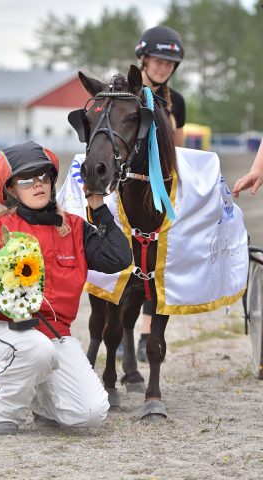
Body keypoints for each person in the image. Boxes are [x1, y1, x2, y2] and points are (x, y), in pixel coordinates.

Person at [0, 140, 132, 436]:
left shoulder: (75, 228)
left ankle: (42, 404)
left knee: (91, 413)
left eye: (43, 177)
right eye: (26, 179)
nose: (38, 184)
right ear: (11, 189)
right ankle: (1, 412)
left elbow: (119, 258)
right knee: (35, 351)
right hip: (3, 330)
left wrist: (98, 207)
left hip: (55, 335)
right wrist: (4, 300)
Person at [133, 25, 186, 362]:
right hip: (126, 185)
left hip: (158, 193)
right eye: (158, 59)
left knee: (156, 262)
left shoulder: (176, 102)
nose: (163, 67)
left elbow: (178, 153)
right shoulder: (125, 91)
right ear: (144, 58)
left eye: (170, 62)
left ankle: (146, 332)